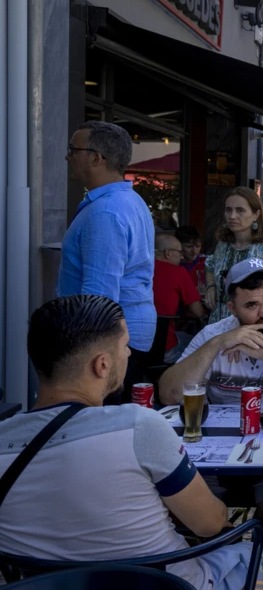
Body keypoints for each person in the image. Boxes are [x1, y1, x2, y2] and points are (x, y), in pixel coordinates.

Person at [0, 295, 263, 590]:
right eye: (125, 347)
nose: (129, 356)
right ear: (102, 364)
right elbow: (210, 524)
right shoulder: (137, 425)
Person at [58, 121, 155, 400]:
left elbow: (99, 294)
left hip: (107, 342)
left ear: (95, 158)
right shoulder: (127, 201)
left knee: (102, 427)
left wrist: (90, 355)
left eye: (72, 149)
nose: (67, 156)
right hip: (119, 337)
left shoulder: (106, 212)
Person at [160, 259, 263, 407]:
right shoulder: (212, 335)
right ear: (232, 309)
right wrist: (215, 345)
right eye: (251, 305)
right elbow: (169, 395)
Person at [204, 187, 263, 324]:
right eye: (228, 210)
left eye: (240, 210)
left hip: (252, 327)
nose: (232, 216)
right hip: (218, 324)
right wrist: (211, 286)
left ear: (255, 215)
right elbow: (210, 265)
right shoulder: (223, 245)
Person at [153, 233, 208, 362]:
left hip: (134, 347)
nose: (182, 256)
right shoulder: (177, 272)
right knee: (202, 344)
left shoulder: (139, 268)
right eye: (179, 252)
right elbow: (198, 311)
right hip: (165, 349)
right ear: (167, 253)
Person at [176, 225, 207, 293]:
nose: (194, 251)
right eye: (189, 246)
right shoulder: (171, 263)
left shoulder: (207, 262)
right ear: (178, 245)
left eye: (198, 246)